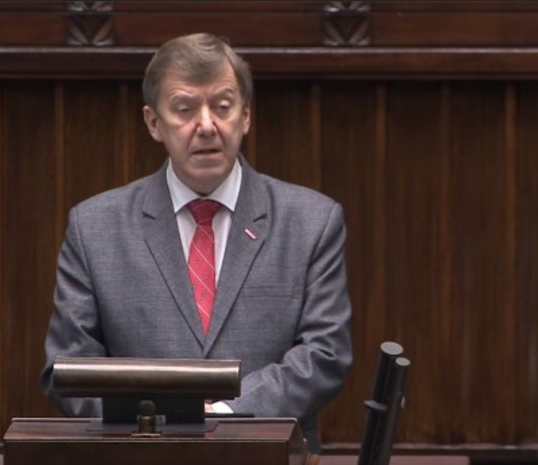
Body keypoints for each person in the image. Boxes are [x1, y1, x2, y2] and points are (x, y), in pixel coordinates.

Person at [41, 33, 352, 453]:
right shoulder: (95, 227)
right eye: (185, 109)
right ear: (154, 122)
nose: (206, 126)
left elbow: (324, 354)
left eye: (222, 107)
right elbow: (67, 367)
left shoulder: (312, 221)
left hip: (268, 456)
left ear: (245, 116)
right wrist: (159, 425)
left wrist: (224, 415)